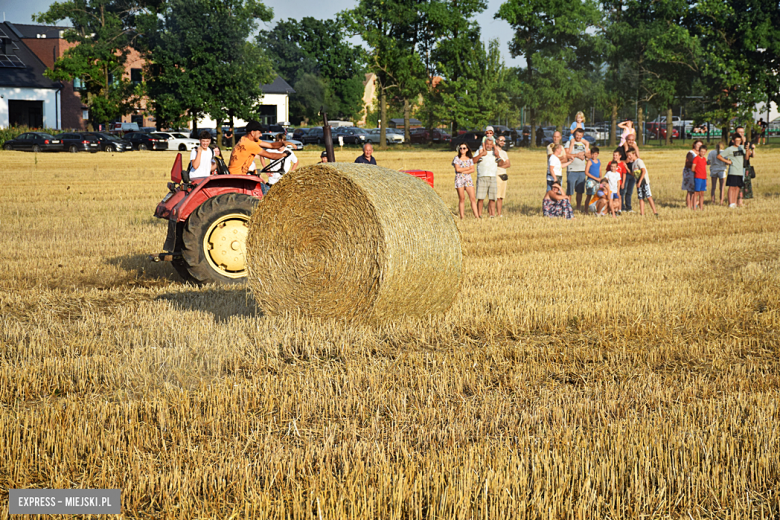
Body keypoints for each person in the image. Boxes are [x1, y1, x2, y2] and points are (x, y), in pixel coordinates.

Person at [474, 137, 501, 218]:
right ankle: (479, 215)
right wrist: (481, 155)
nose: (488, 146)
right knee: (480, 198)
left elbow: (501, 162)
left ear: (493, 145)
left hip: (492, 177)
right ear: (484, 144)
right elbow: (473, 161)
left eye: (490, 144)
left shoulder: (495, 153)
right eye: (487, 144)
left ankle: (492, 214)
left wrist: (498, 155)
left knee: (492, 198)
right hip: (482, 176)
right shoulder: (480, 151)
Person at [626, 149, 657, 216]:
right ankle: (642, 213)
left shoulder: (639, 161)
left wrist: (640, 181)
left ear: (634, 154)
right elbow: (634, 174)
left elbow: (643, 171)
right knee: (641, 198)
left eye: (630, 155)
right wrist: (628, 170)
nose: (629, 157)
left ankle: (655, 212)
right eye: (628, 156)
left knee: (648, 197)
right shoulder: (633, 164)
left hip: (644, 182)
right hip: (638, 183)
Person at [566, 127, 591, 212]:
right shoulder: (569, 143)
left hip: (582, 170)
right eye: (577, 135)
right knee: (570, 191)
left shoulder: (584, 144)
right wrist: (577, 155)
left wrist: (585, 152)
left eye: (580, 135)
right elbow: (567, 155)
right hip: (572, 170)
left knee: (580, 191)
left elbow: (589, 156)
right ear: (574, 135)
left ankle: (578, 207)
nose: (578, 137)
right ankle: (568, 207)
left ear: (582, 136)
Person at [452, 143, 479, 219]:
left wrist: (463, 170)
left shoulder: (469, 159)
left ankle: (477, 216)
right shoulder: (456, 158)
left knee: (472, 198)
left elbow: (472, 170)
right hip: (459, 179)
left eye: (464, 148)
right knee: (462, 198)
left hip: (468, 179)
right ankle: (462, 216)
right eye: (460, 148)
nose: (462, 150)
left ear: (467, 149)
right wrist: (467, 169)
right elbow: (457, 169)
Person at [721, 134, 745, 208]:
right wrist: (727, 161)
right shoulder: (730, 149)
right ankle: (731, 203)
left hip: (740, 171)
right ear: (733, 141)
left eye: (739, 141)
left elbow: (746, 155)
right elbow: (719, 156)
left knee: (737, 187)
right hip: (733, 170)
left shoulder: (741, 148)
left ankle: (735, 202)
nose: (738, 142)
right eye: (736, 140)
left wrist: (744, 143)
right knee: (732, 187)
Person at [735, 126, 755, 200]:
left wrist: (752, 149)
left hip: (746, 164)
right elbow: (740, 152)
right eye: (739, 132)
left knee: (746, 182)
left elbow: (751, 155)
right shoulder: (733, 142)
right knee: (739, 182)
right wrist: (742, 142)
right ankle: (738, 197)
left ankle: (745, 196)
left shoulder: (748, 142)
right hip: (738, 165)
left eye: (742, 132)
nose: (741, 134)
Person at [682, 140, 702, 210]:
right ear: (694, 145)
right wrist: (696, 165)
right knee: (690, 190)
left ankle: (693, 204)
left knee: (695, 190)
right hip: (689, 172)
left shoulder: (699, 154)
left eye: (700, 145)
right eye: (698, 145)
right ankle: (689, 206)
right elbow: (687, 163)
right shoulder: (691, 153)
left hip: (696, 172)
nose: (699, 146)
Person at [495, 135, 511, 217]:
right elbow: (497, 164)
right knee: (497, 196)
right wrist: (502, 164)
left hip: (503, 175)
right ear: (497, 141)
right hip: (497, 175)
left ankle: (499, 213)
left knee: (501, 196)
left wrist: (501, 165)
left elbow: (508, 164)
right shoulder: (494, 152)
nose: (502, 142)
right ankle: (495, 213)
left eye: (504, 141)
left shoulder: (504, 153)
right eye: (501, 140)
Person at [692, 144, 708, 210]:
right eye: (701, 151)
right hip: (698, 178)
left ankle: (701, 207)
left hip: (704, 178)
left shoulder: (704, 159)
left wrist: (706, 179)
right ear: (699, 151)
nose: (703, 153)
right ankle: (694, 207)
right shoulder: (696, 158)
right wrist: (697, 173)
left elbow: (705, 169)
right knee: (696, 193)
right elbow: (693, 168)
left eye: (704, 152)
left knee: (702, 193)